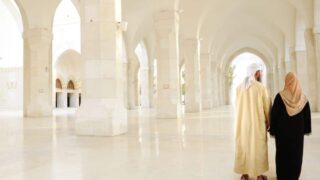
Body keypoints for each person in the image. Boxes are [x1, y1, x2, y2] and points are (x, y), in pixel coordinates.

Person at [269, 72, 311, 180]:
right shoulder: (303, 98)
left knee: (282, 153)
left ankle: (282, 176)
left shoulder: (280, 97)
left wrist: (273, 130)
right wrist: (305, 129)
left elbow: (274, 115)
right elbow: (307, 116)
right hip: (297, 132)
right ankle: (294, 176)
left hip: (282, 132)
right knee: (296, 153)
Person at [234, 63, 271, 180]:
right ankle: (259, 176)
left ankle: (244, 175)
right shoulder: (260, 88)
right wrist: (269, 121)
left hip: (242, 123)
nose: (262, 74)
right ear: (256, 73)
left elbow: (237, 105)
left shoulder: (239, 87)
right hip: (257, 123)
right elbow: (267, 106)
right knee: (257, 147)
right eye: (260, 71)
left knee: (243, 146)